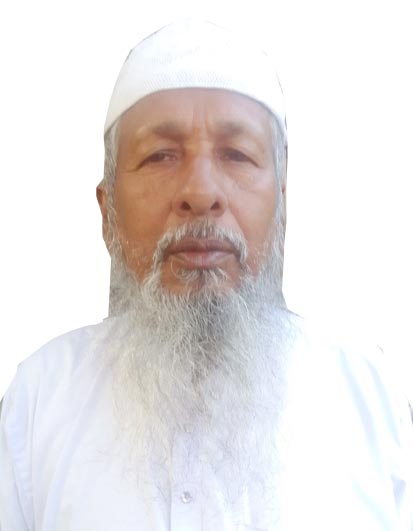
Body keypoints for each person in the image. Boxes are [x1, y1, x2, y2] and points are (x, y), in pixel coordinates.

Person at [0, 19, 412, 531]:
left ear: (282, 206)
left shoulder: (370, 401)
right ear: (107, 212)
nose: (200, 192)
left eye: (237, 155)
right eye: (160, 156)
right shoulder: (39, 402)